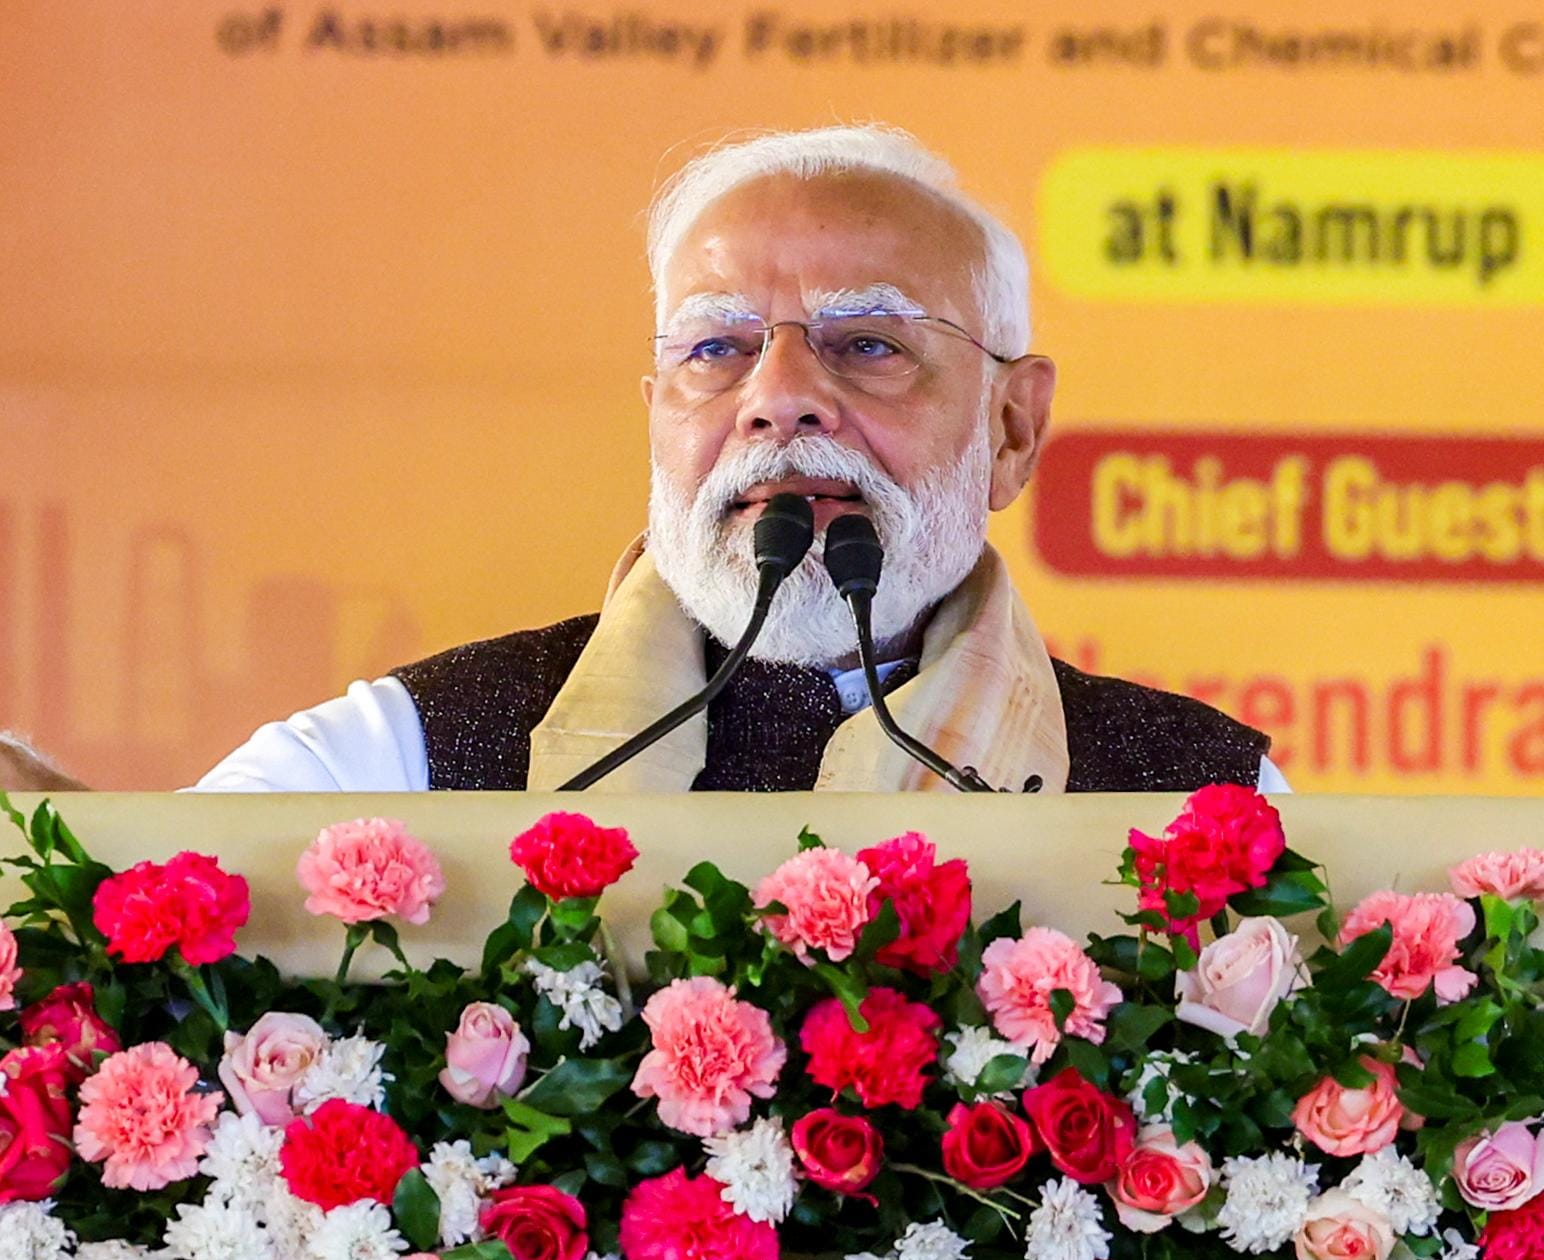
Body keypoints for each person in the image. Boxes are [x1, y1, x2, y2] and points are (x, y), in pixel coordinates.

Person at [6, 125, 1284, 796]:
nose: (779, 398)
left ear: (1011, 426)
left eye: (867, 344)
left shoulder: (1202, 798)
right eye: (715, 348)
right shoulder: (412, 752)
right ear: (655, 414)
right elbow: (129, 924)